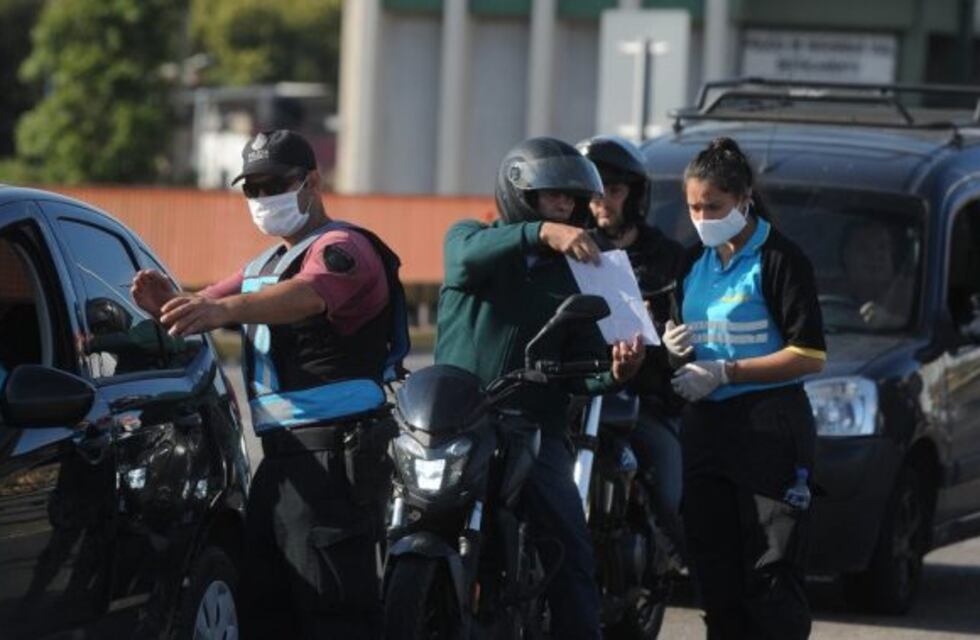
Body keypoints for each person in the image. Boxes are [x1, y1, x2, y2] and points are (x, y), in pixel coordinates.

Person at [131, 129, 409, 639]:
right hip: (281, 462)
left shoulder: (343, 248)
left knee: (334, 614)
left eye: (274, 185)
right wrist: (170, 305)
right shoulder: (264, 266)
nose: (262, 198)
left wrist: (220, 311)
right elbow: (207, 303)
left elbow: (308, 295)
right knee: (266, 610)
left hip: (334, 460)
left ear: (312, 183)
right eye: (252, 189)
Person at [434, 137, 646, 639]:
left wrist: (616, 372)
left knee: (570, 547)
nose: (566, 206)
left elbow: (584, 368)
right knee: (406, 520)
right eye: (554, 195)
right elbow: (462, 260)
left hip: (534, 430)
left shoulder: (584, 273)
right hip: (455, 423)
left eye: (572, 198)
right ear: (521, 194)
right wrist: (541, 233)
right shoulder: (470, 237)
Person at [663, 137, 826, 639]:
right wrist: (672, 350)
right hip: (706, 431)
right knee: (715, 573)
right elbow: (685, 343)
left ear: (744, 199)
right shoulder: (692, 262)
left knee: (771, 574)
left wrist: (728, 372)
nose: (702, 217)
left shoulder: (779, 259)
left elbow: (809, 355)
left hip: (769, 428)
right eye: (694, 207)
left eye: (713, 206)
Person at [577, 134, 688, 556]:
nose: (603, 202)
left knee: (672, 499)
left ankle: (673, 566)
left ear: (635, 196)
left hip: (645, 401)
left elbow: (689, 336)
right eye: (595, 193)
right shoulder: (572, 251)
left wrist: (662, 331)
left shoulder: (667, 257)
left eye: (615, 191)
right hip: (583, 397)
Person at [839, 220, 912, 328]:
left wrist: (888, 321)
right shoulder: (832, 294)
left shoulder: (914, 295)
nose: (875, 256)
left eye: (882, 247)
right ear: (847, 256)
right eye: (864, 248)